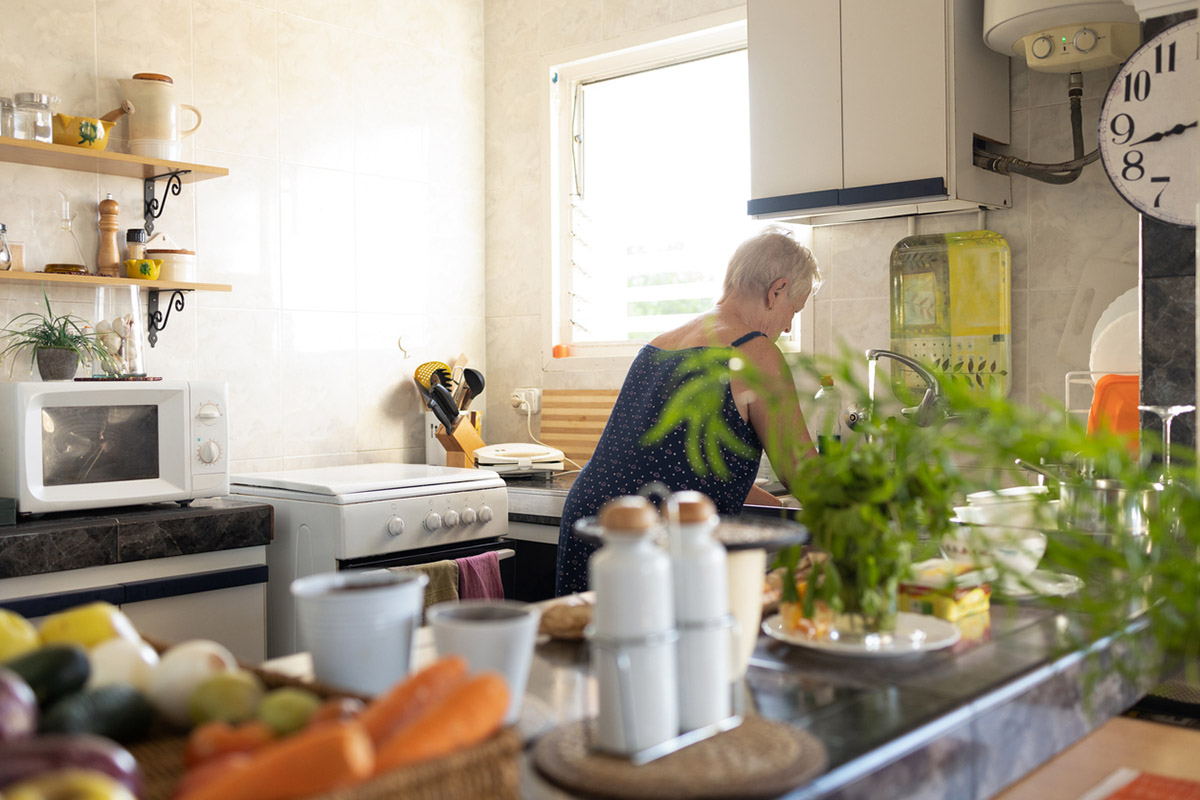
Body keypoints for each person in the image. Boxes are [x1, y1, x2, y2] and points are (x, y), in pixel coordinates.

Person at [555, 226, 821, 596]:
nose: (789, 325)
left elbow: (677, 464)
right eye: (794, 309)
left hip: (593, 518)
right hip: (655, 537)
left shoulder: (659, 343)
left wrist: (777, 507)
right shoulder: (753, 352)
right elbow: (804, 473)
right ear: (776, 292)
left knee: (590, 647)